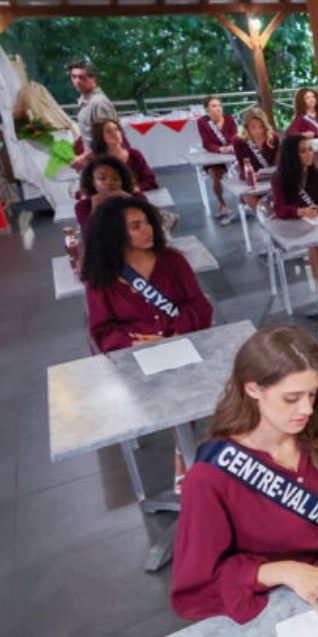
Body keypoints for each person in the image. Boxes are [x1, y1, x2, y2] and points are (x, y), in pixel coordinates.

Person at [171, 325, 318, 624]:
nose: (307, 409)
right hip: (277, 600)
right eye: (292, 398)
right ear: (253, 389)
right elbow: (196, 588)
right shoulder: (209, 478)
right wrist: (279, 571)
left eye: (313, 394)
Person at [82, 196, 212, 494]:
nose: (148, 230)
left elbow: (200, 306)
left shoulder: (173, 261)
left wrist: (173, 332)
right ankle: (184, 451)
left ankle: (183, 452)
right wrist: (139, 339)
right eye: (135, 226)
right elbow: (102, 331)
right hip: (136, 356)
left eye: (147, 223)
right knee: (167, 391)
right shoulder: (101, 276)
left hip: (184, 343)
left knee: (184, 388)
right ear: (115, 233)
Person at [272, 135, 318, 308]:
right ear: (292, 155)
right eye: (303, 151)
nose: (309, 154)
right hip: (296, 226)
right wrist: (300, 211)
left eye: (310, 150)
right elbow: (279, 208)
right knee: (316, 245)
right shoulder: (280, 178)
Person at [67, 59, 118, 169]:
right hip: (96, 163)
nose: (77, 81)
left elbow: (109, 140)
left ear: (93, 78)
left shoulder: (99, 103)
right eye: (74, 77)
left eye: (82, 77)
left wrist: (83, 158)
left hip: (107, 164)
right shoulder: (86, 100)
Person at [75, 156, 146, 235]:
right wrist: (95, 209)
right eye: (102, 178)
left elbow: (151, 224)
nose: (109, 182)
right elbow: (89, 237)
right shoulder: (83, 206)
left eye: (116, 178)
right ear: (92, 182)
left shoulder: (136, 197)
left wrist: (130, 202)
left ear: (122, 181)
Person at [231, 107, 279, 220]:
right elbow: (243, 167)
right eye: (253, 127)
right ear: (246, 126)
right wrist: (253, 175)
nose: (258, 130)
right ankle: (268, 220)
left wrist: (271, 173)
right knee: (248, 197)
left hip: (272, 178)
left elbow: (278, 164)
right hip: (253, 180)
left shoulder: (273, 138)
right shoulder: (238, 141)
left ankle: (276, 216)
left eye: (261, 127)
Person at [196, 96, 239, 217]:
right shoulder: (202, 122)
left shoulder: (229, 119)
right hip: (215, 157)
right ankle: (222, 203)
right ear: (207, 109)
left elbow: (235, 136)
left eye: (219, 105)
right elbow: (206, 143)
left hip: (231, 154)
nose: (218, 108)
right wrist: (219, 149)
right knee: (215, 175)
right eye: (214, 106)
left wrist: (231, 145)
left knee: (244, 170)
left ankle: (244, 201)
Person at [89, 119, 159, 192]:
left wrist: (137, 188)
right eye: (109, 131)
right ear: (100, 137)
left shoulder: (134, 154)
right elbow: (90, 187)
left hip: (135, 196)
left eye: (116, 129)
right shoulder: (97, 160)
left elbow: (150, 180)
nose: (115, 133)